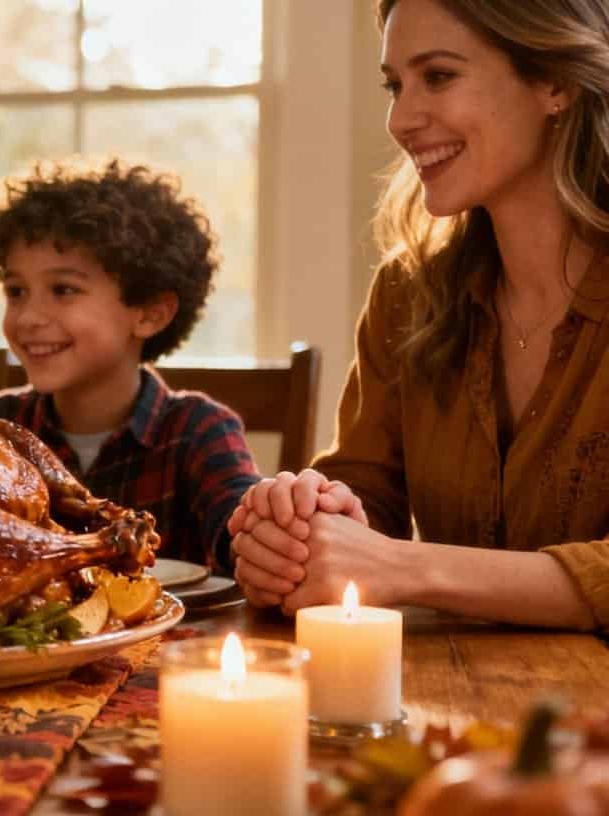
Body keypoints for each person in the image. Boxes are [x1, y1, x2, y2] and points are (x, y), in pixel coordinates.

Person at [229, 0, 609, 631]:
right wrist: (302, 531)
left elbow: (390, 562)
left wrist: (405, 567)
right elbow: (364, 493)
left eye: (438, 76)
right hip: (450, 690)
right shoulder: (407, 295)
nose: (401, 120)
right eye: (394, 85)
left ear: (555, 83)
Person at [0, 158, 260, 573]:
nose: (28, 317)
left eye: (63, 289)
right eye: (16, 291)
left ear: (150, 314)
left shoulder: (199, 431)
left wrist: (267, 530)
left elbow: (241, 535)